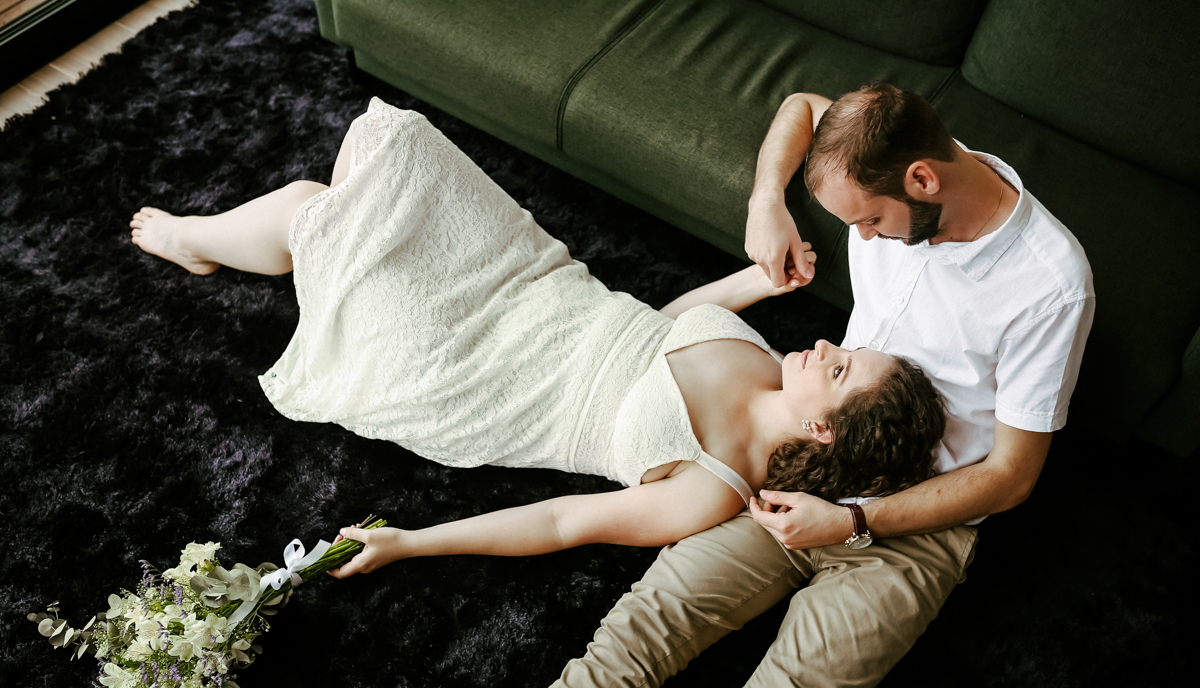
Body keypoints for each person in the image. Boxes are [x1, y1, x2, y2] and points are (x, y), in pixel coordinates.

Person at [432, 83, 1094, 688]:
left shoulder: (1050, 285)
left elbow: (1011, 475)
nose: (865, 240)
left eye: (870, 221)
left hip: (918, 527)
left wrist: (853, 522)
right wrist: (766, 201)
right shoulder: (885, 145)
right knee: (633, 638)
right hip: (800, 465)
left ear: (923, 180)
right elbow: (804, 107)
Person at [129, 97, 945, 568]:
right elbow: (656, 332)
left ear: (822, 428)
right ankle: (301, 250)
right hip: (535, 286)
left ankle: (193, 238)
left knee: (311, 207)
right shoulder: (768, 362)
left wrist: (411, 543)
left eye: (841, 370)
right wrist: (756, 282)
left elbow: (562, 522)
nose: (829, 347)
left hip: (478, 375)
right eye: (846, 350)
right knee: (386, 143)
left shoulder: (710, 487)